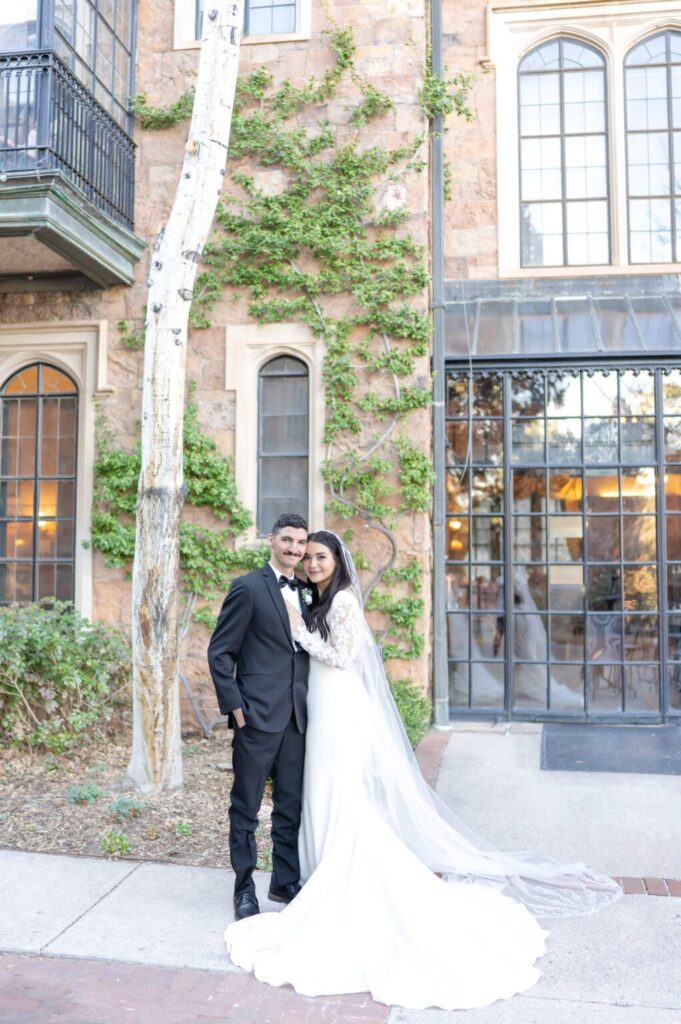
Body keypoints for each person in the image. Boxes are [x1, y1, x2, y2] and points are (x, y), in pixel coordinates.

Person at [224, 530, 621, 1010]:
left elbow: (341, 656)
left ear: (337, 561)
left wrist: (299, 630)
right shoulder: (312, 595)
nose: (310, 563)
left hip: (338, 710)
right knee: (313, 794)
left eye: (319, 556)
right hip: (316, 709)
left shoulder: (343, 601)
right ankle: (308, 874)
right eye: (307, 556)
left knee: (338, 792)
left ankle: (337, 878)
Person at [207, 513, 310, 922]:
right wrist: (236, 708)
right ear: (271, 540)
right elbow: (220, 652)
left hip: (297, 720)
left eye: (301, 543)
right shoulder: (248, 587)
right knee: (245, 808)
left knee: (290, 806)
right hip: (256, 716)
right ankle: (244, 888)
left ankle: (284, 881)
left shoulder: (306, 591)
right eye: (287, 540)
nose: (294, 549)